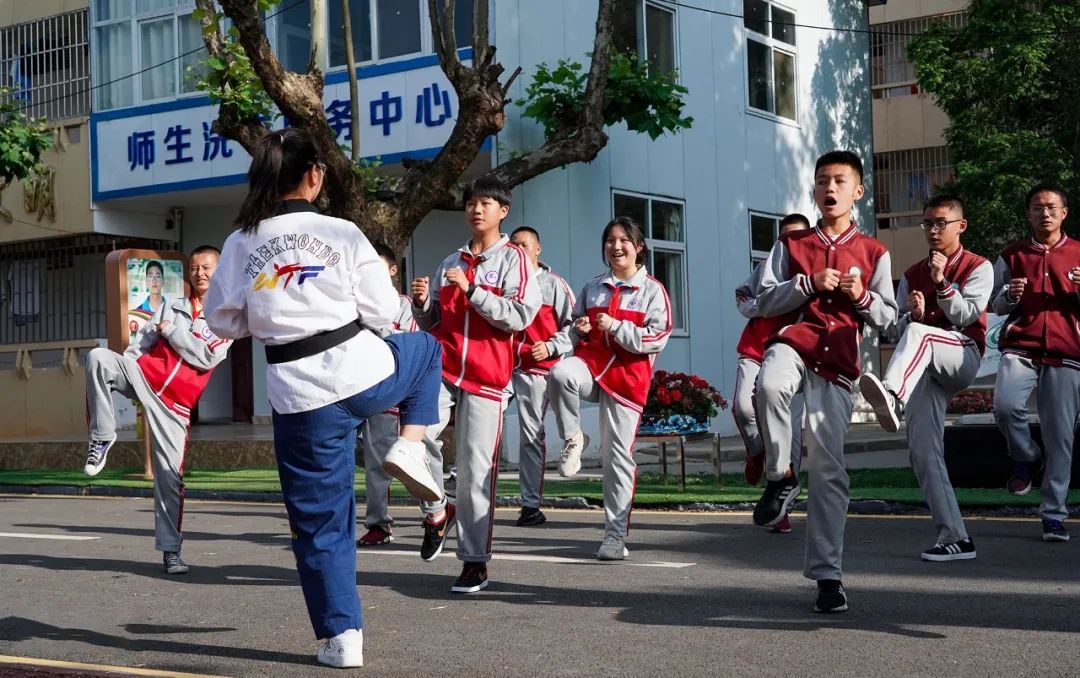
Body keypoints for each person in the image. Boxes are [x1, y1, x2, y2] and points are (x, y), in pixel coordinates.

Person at [203, 128, 444, 669]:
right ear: (315, 174)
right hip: (362, 372)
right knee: (426, 349)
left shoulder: (242, 241)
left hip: (297, 393)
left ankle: (342, 640)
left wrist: (267, 315)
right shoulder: (341, 231)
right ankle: (409, 441)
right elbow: (383, 314)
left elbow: (221, 319)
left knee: (320, 522)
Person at [749, 151, 897, 613]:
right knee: (770, 385)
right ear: (813, 190)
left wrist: (864, 296)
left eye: (838, 181)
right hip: (795, 341)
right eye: (821, 182)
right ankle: (780, 475)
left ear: (858, 191)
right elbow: (761, 299)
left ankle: (828, 577)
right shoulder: (791, 246)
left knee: (830, 471)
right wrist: (807, 285)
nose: (828, 189)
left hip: (838, 364)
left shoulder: (874, 252)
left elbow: (889, 320)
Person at [412, 176, 541, 594]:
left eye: (486, 203)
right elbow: (435, 323)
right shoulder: (451, 259)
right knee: (412, 441)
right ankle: (437, 510)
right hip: (445, 368)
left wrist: (474, 291)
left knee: (474, 472)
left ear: (503, 211)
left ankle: (473, 562)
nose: (476, 209)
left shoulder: (515, 260)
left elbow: (519, 316)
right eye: (471, 202)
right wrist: (423, 304)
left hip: (487, 377)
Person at [859, 195, 992, 561]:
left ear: (960, 226)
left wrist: (942, 283)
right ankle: (955, 537)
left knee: (921, 334)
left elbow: (967, 315)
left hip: (963, 354)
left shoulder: (979, 266)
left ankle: (891, 394)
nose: (933, 230)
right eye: (928, 223)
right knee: (922, 451)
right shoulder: (913, 271)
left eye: (941, 223)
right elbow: (896, 329)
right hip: (924, 364)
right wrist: (912, 314)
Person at [83, 245, 230, 576]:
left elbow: (205, 356)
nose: (199, 273)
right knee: (99, 359)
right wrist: (130, 362)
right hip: (144, 377)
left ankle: (171, 551)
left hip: (175, 405)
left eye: (206, 267)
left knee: (169, 478)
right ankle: (102, 438)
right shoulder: (170, 305)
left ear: (220, 271)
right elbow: (143, 342)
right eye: (194, 268)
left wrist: (172, 332)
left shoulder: (225, 317)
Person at [547, 216, 673, 561]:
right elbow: (574, 328)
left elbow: (657, 337)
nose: (616, 247)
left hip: (626, 380)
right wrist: (581, 327)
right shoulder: (593, 287)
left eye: (623, 241)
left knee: (616, 458)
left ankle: (615, 536)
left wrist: (616, 326)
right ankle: (573, 436)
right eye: (610, 240)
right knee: (559, 374)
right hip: (590, 366)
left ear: (639, 247)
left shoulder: (652, 291)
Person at [989, 182, 1080, 543]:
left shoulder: (1078, 252)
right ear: (1028, 214)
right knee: (1005, 406)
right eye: (1037, 207)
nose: (1045, 213)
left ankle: (1054, 515)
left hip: (1067, 351)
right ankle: (1026, 456)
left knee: (1061, 437)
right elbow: (994, 305)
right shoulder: (1011, 255)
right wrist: (1008, 296)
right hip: (1021, 347)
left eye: (1051, 207)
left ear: (1064, 213)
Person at [357, 243, 453, 549]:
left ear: (393, 270)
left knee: (421, 454)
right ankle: (378, 524)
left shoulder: (409, 306)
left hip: (410, 393)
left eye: (378, 267)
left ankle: (434, 513)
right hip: (376, 391)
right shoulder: (357, 308)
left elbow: (420, 345)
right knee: (376, 461)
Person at [733, 213, 810, 534]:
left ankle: (781, 510)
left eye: (798, 238)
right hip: (754, 348)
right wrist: (762, 306)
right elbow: (743, 296)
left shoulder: (814, 272)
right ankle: (756, 452)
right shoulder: (766, 268)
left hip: (792, 360)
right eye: (785, 238)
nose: (790, 244)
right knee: (743, 407)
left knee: (790, 438)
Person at [507, 226, 575, 527]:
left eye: (525, 245)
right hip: (503, 368)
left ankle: (530, 506)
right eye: (514, 245)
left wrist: (549, 347)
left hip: (539, 371)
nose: (519, 250)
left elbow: (574, 329)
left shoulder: (555, 286)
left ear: (538, 249)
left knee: (530, 436)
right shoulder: (505, 284)